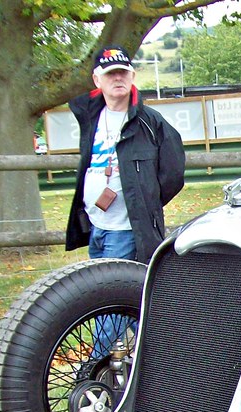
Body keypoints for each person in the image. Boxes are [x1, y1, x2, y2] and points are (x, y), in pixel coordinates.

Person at [66, 46, 185, 264]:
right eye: (110, 73)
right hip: (96, 226)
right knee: (98, 291)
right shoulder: (90, 117)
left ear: (132, 76)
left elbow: (174, 174)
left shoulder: (151, 122)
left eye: (123, 72)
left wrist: (144, 202)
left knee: (115, 292)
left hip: (127, 231)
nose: (118, 77)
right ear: (97, 80)